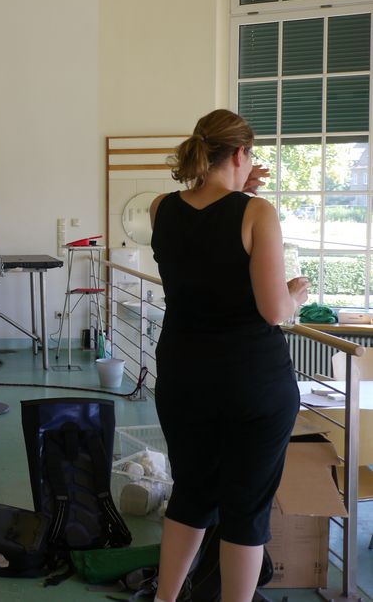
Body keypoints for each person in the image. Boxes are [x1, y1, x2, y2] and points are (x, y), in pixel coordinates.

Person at [149, 109, 309, 602]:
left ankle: (165, 598)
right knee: (244, 509)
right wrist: (297, 294)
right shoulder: (256, 213)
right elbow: (272, 309)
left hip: (182, 376)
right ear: (241, 154)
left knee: (191, 494)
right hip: (251, 383)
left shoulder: (161, 208)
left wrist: (242, 189)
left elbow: (207, 237)